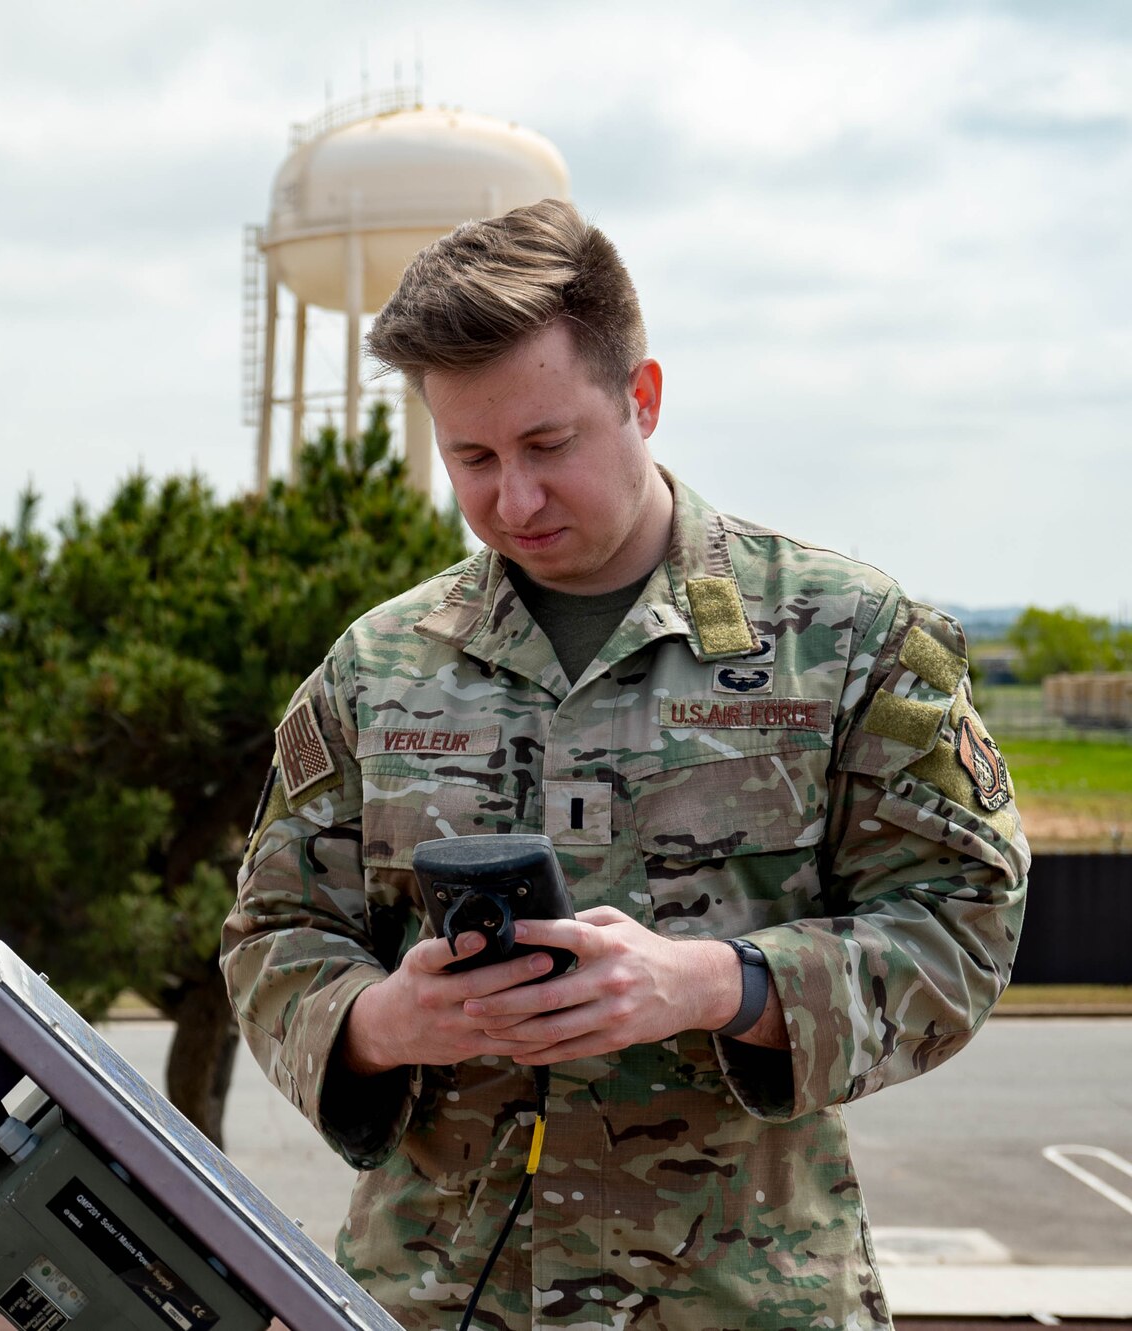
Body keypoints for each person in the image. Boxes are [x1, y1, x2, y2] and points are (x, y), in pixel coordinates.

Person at [220, 198, 1028, 1331]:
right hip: (436, 1297)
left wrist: (713, 983)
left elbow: (961, 923)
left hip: (741, 1296)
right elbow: (272, 934)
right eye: (472, 457)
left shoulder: (846, 638)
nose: (513, 498)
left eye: (548, 445)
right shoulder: (375, 667)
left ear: (639, 399)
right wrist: (378, 1021)